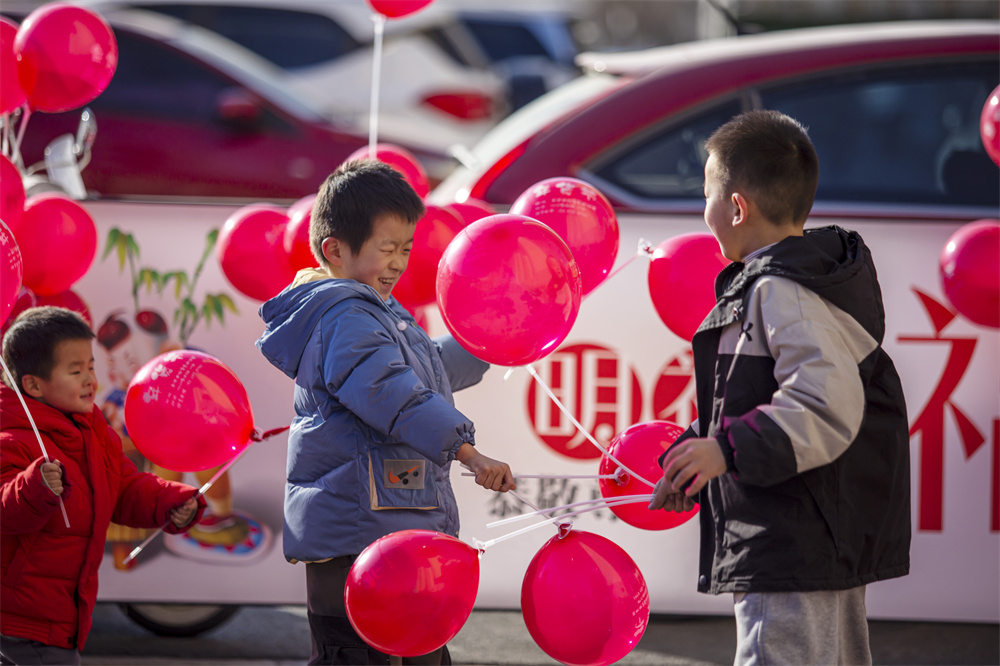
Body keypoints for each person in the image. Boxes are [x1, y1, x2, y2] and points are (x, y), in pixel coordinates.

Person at [649, 110, 910, 665]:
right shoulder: (803, 280)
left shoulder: (781, 290)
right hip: (816, 530)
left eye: (707, 196)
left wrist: (724, 450)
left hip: (792, 535)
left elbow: (822, 404)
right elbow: (756, 400)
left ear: (737, 207)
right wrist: (697, 455)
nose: (705, 213)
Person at [256, 160, 516, 665]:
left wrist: (488, 340)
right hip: (358, 533)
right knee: (360, 656)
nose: (399, 262)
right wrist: (470, 454)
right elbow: (394, 395)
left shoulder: (377, 310)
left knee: (416, 651)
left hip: (387, 525)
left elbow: (428, 371)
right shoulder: (344, 314)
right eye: (386, 248)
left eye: (406, 249)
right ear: (335, 249)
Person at [0, 306, 207, 665]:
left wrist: (169, 500)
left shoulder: (92, 428)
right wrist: (33, 487)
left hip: (63, 616)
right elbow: (6, 509)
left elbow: (123, 487)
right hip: (21, 622)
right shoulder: (13, 436)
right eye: (76, 370)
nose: (90, 379)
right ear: (33, 384)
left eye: (92, 367)